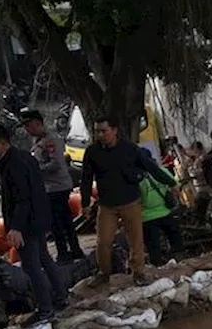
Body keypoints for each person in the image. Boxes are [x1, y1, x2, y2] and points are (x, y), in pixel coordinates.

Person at [0, 122, 66, 324]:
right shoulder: (23, 157)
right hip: (38, 219)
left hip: (27, 223)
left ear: (2, 142)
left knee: (32, 267)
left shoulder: (14, 164)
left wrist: (16, 227)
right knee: (44, 259)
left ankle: (45, 309)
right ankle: (61, 298)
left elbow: (22, 198)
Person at [79, 115, 173, 287]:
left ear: (114, 130)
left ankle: (138, 272)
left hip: (130, 202)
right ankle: (103, 273)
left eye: (104, 131)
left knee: (136, 240)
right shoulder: (92, 152)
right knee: (103, 242)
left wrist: (170, 182)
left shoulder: (129, 148)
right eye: (97, 131)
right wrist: (84, 203)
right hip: (107, 205)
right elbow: (86, 178)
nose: (100, 135)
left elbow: (150, 166)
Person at [20, 108, 84, 262]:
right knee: (62, 220)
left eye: (29, 126)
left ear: (37, 124)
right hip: (48, 187)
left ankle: (65, 252)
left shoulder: (51, 140)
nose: (27, 130)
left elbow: (55, 164)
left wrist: (35, 170)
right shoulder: (37, 140)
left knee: (58, 221)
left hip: (57, 187)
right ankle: (72, 249)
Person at [135, 148, 183, 267]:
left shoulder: (136, 178)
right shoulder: (162, 171)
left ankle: (158, 266)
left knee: (153, 245)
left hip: (146, 217)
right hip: (166, 212)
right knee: (175, 238)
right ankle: (179, 260)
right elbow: (176, 187)